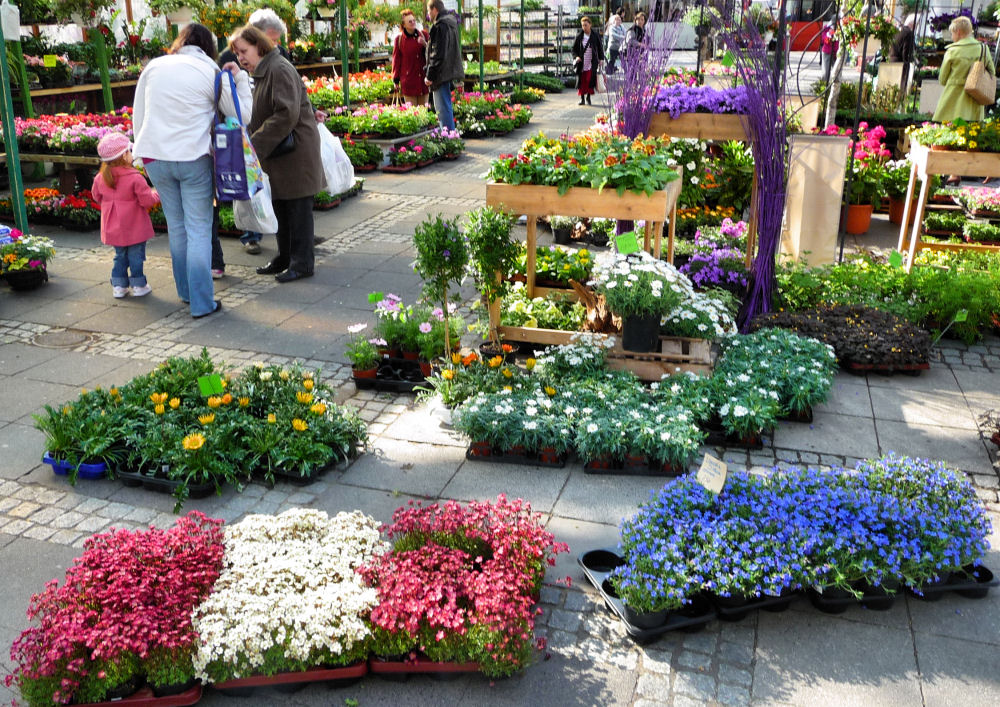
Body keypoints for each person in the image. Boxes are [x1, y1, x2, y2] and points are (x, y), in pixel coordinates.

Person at [133, 23, 250, 319]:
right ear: (208, 46)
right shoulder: (209, 70)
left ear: (180, 42)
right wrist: (242, 80)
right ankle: (201, 303)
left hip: (154, 157)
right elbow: (241, 115)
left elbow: (139, 114)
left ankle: (185, 293)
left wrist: (138, 156)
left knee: (177, 227)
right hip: (192, 156)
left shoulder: (154, 67)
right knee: (198, 228)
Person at [228, 25, 325, 282]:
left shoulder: (278, 68)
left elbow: (286, 113)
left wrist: (254, 144)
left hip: (296, 152)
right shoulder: (264, 69)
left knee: (298, 209)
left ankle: (302, 263)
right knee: (281, 205)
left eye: (244, 51)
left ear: (259, 46)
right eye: (237, 54)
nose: (241, 57)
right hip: (281, 152)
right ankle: (285, 257)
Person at [217, 8, 290, 257]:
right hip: (242, 131)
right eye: (271, 38)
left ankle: (276, 233)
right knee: (247, 185)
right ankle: (251, 235)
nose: (275, 44)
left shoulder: (278, 57)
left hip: (264, 133)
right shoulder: (228, 56)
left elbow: (291, 87)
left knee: (265, 185)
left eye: (277, 39)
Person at [91, 132, 160, 299]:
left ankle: (119, 286)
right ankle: (138, 284)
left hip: (113, 226)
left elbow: (96, 196)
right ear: (124, 155)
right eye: (129, 151)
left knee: (120, 255)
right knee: (136, 256)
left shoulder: (101, 177)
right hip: (134, 225)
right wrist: (158, 193)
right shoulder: (135, 177)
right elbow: (147, 201)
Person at [934, 15, 995, 184]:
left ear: (959, 32)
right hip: (975, 100)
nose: (952, 37)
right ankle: (987, 169)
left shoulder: (952, 51)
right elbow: (991, 72)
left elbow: (942, 79)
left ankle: (954, 173)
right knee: (973, 137)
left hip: (952, 101)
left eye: (953, 33)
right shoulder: (983, 49)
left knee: (950, 137)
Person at [424, 0, 463, 130]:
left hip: (440, 74)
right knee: (446, 106)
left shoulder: (440, 26)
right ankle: (450, 136)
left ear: (435, 9)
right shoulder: (450, 23)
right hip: (447, 71)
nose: (429, 14)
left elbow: (437, 54)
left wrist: (429, 76)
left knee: (442, 109)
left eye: (429, 11)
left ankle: (449, 139)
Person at [392, 9, 429, 105]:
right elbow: (396, 60)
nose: (413, 23)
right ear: (403, 25)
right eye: (410, 21)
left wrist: (425, 44)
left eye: (414, 20)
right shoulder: (399, 40)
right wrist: (396, 80)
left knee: (423, 114)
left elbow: (433, 52)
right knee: (413, 113)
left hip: (423, 81)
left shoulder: (424, 35)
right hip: (409, 82)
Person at [573, 16, 604, 106]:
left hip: (591, 61)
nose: (584, 27)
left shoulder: (595, 35)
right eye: (583, 25)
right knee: (582, 80)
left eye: (586, 25)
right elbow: (574, 49)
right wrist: (576, 57)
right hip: (582, 62)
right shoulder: (579, 36)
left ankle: (588, 97)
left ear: (590, 25)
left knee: (590, 79)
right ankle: (582, 98)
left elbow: (600, 48)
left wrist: (601, 59)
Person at [889, 15, 916, 95]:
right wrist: (907, 63)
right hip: (901, 64)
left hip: (892, 60)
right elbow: (906, 51)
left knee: (892, 88)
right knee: (900, 89)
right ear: (913, 24)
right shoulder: (908, 34)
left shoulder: (897, 31)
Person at [819, 20, 838, 85]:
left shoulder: (841, 28)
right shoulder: (826, 27)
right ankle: (823, 86)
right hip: (827, 52)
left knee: (837, 72)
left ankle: (835, 86)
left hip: (836, 53)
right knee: (825, 72)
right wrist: (829, 36)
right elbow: (823, 38)